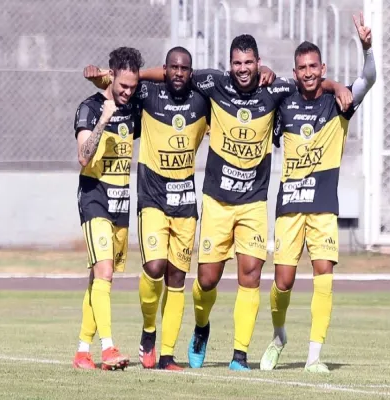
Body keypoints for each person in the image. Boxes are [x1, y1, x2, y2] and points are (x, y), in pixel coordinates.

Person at [140, 34, 352, 371]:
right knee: (206, 280)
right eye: (237, 63)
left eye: (249, 62)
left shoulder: (275, 89)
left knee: (251, 275)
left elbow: (310, 81)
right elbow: (173, 73)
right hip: (217, 201)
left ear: (258, 63)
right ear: (230, 65)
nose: (243, 68)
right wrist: (136, 75)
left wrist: (337, 85)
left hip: (253, 202)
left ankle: (240, 354)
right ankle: (201, 326)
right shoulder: (213, 83)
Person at [259, 12, 376, 373]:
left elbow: (369, 79)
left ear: (322, 68)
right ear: (295, 72)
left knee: (324, 274)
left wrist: (367, 48)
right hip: (289, 207)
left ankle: (314, 356)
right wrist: (265, 72)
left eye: (314, 66)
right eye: (302, 68)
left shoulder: (339, 104)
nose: (308, 72)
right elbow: (260, 86)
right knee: (283, 282)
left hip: (323, 206)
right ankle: (279, 336)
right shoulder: (284, 103)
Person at [83, 46, 210, 370]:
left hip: (185, 202)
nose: (178, 73)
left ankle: (166, 355)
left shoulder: (202, 101)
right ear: (164, 69)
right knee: (154, 267)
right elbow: (121, 86)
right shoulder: (147, 95)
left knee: (177, 277)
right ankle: (148, 330)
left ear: (191, 72)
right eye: (172, 67)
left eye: (184, 68)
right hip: (151, 198)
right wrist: (101, 78)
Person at [72, 47, 144, 370]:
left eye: (133, 86)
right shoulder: (89, 108)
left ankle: (82, 351)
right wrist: (105, 117)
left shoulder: (134, 107)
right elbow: (83, 156)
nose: (127, 92)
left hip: (121, 204)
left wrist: (103, 75)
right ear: (111, 77)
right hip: (94, 198)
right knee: (105, 273)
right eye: (123, 85)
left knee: (97, 279)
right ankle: (109, 348)